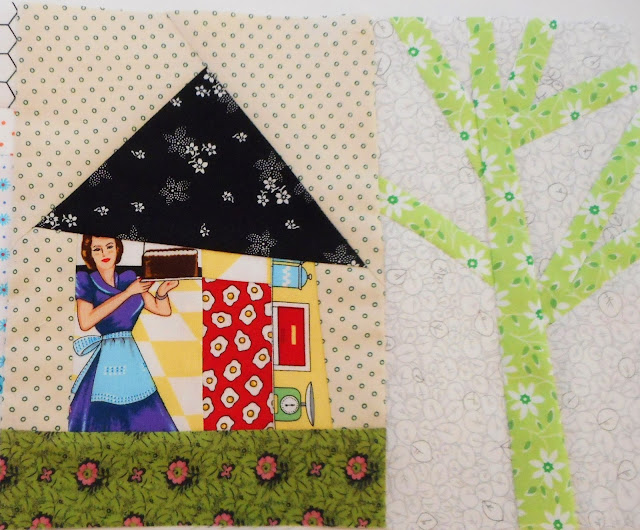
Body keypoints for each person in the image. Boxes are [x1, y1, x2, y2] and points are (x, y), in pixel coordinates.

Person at [69, 234, 179, 432]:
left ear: (118, 249)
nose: (104, 253)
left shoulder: (129, 278)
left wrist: (162, 292)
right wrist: (128, 293)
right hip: (106, 356)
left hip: (130, 355)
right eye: (97, 249)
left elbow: (162, 310)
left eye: (109, 247)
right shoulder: (85, 280)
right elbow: (86, 322)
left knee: (143, 407)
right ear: (89, 254)